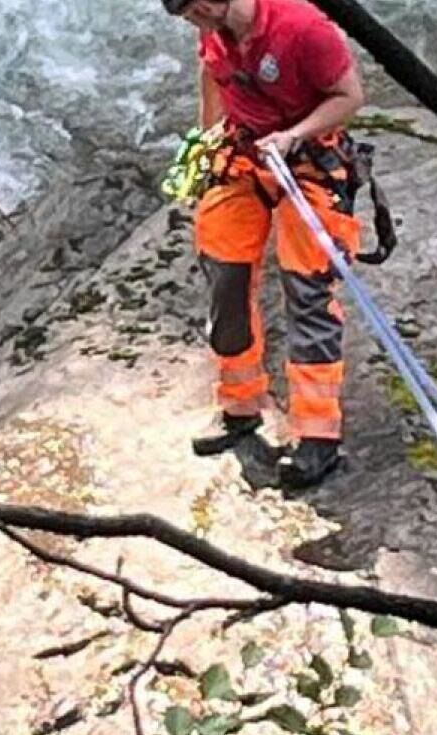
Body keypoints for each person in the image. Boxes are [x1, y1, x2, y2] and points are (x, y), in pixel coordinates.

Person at [161, 0, 367, 490]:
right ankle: (240, 406)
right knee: (225, 277)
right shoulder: (215, 30)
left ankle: (318, 435)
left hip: (309, 161)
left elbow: (349, 95)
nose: (196, 25)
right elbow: (212, 71)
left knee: (308, 290)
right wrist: (209, 142)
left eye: (194, 14)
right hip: (244, 153)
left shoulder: (301, 27)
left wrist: (294, 135)